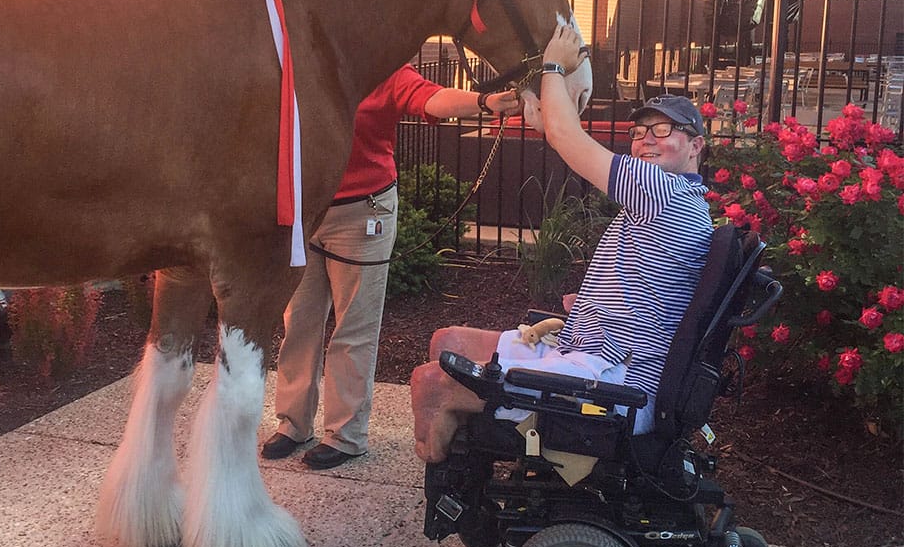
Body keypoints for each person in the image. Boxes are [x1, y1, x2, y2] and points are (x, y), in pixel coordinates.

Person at [411, 24, 713, 463]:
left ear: (696, 146)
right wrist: (592, 304)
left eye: (664, 129)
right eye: (639, 131)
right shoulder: (680, 201)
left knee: (430, 384)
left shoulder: (660, 189)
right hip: (597, 351)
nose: (646, 138)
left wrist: (552, 66)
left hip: (610, 381)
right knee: (448, 341)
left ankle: (461, 496)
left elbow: (564, 136)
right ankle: (478, 459)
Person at [262, 64, 524, 469]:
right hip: (303, 211)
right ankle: (293, 424)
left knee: (354, 326)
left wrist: (484, 102)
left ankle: (345, 435)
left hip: (363, 213)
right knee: (298, 321)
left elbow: (432, 99)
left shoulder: (384, 67)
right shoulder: (303, 59)